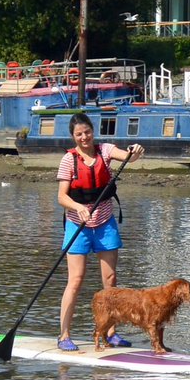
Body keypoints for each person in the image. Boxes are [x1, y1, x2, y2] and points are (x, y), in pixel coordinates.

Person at [56, 112, 143, 351]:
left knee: (111, 281)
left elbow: (128, 157)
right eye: (79, 134)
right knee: (75, 280)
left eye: (87, 132)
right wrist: (78, 207)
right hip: (78, 225)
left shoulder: (104, 150)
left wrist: (134, 152)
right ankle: (64, 335)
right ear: (73, 137)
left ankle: (110, 333)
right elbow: (61, 197)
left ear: (93, 131)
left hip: (105, 223)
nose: (84, 137)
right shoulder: (68, 161)